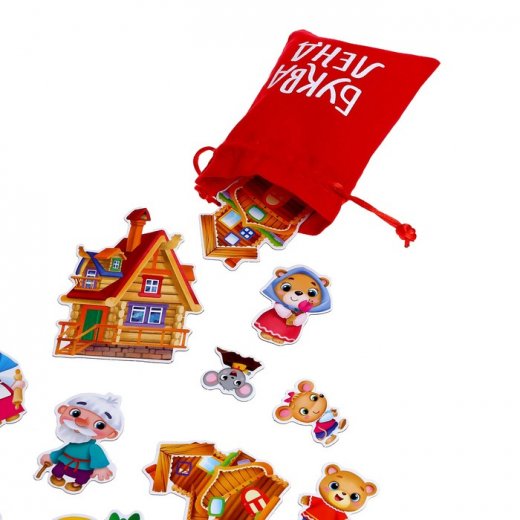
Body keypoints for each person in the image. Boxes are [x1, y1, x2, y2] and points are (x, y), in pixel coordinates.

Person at [39, 393, 123, 493]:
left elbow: (98, 457)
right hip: (65, 462)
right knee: (58, 470)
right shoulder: (72, 443)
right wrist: (51, 457)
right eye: (75, 413)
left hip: (83, 468)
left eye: (99, 425)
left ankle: (77, 484)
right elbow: (62, 451)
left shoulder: (93, 447)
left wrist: (100, 468)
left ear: (111, 434)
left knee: (82, 477)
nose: (81, 422)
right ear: (62, 409)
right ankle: (57, 477)